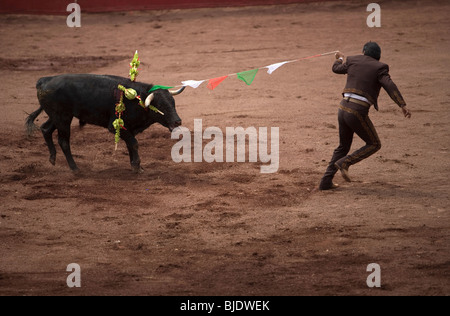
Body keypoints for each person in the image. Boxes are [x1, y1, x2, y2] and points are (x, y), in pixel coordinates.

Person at [319, 42, 411, 190]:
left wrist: (340, 58)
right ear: (378, 56)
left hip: (342, 108)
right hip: (356, 111)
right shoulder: (380, 67)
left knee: (342, 146)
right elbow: (389, 85)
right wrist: (402, 104)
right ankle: (345, 163)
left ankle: (325, 182)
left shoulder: (352, 60)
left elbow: (336, 69)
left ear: (363, 52)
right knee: (374, 144)